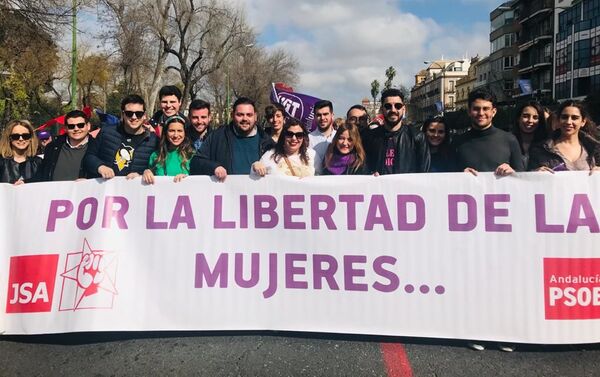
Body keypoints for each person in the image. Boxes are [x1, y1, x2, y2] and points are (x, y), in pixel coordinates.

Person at [189, 97, 274, 181]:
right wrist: (214, 167)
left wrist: (264, 167)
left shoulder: (267, 141)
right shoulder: (217, 137)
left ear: (255, 117)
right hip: (227, 192)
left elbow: (278, 169)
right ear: (232, 115)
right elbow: (196, 162)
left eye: (249, 115)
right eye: (240, 115)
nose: (245, 119)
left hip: (256, 193)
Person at [83, 94, 159, 179]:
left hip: (134, 189)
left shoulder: (153, 141)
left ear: (144, 115)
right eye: (129, 113)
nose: (134, 117)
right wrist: (100, 167)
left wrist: (141, 175)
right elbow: (89, 156)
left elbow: (157, 168)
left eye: (139, 114)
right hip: (105, 188)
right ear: (123, 114)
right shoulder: (106, 132)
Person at [453, 88, 523, 176]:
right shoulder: (457, 142)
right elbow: (447, 176)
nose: (481, 113)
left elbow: (522, 176)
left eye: (485, 108)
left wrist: (512, 171)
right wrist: (460, 175)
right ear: (469, 111)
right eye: (476, 109)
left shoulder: (510, 140)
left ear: (494, 112)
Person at [362, 88, 430, 174]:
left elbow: (424, 172)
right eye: (388, 106)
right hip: (378, 187)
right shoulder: (370, 137)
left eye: (398, 106)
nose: (393, 110)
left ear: (403, 109)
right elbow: (364, 168)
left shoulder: (417, 137)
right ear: (382, 109)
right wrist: (370, 175)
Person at [528, 100, 600, 172]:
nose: (568, 122)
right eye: (564, 117)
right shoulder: (541, 149)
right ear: (558, 120)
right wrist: (535, 173)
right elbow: (528, 179)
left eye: (574, 118)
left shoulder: (594, 149)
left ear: (583, 122)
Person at [36, 109, 92, 181]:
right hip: (54, 191)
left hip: (87, 192)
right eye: (71, 126)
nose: (76, 129)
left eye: (80, 125)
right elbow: (41, 173)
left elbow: (107, 175)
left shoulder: (98, 148)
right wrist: (24, 183)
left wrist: (90, 182)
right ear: (65, 128)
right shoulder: (52, 147)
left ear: (88, 126)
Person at [252, 118, 319, 178]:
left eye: (299, 135)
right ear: (284, 135)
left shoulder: (312, 155)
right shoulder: (270, 155)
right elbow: (254, 178)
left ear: (303, 137)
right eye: (290, 134)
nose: (294, 138)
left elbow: (321, 179)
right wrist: (255, 167)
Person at [143, 115, 194, 184]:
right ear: (165, 133)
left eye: (179, 131)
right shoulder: (155, 156)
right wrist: (146, 172)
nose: (176, 135)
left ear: (185, 133)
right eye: (171, 131)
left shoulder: (192, 155)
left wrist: (188, 179)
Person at [0, 120, 42, 184]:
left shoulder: (39, 162)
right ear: (9, 138)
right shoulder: (1, 162)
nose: (21, 139)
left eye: (25, 136)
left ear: (31, 138)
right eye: (16, 136)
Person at [511, 101, 548, 168]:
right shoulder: (507, 141)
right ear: (518, 118)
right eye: (526, 116)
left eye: (535, 117)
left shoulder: (547, 145)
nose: (530, 120)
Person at [309, 100, 336, 166]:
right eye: (318, 115)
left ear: (332, 115)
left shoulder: (340, 137)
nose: (322, 118)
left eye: (325, 114)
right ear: (314, 117)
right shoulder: (308, 139)